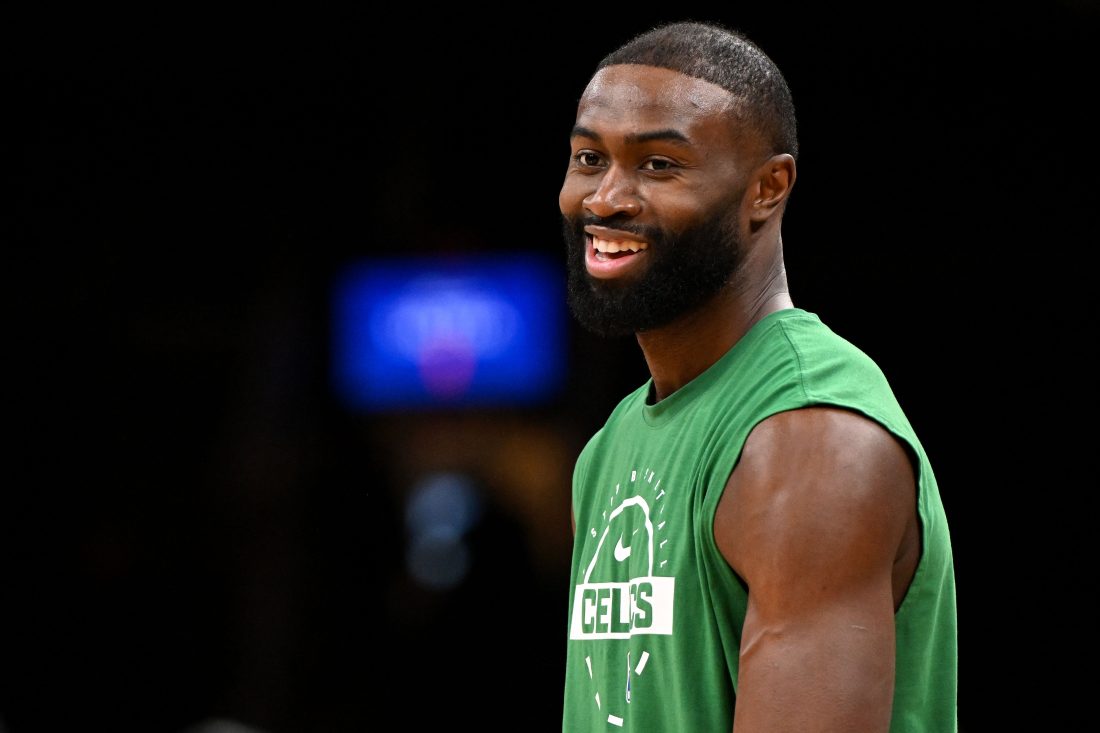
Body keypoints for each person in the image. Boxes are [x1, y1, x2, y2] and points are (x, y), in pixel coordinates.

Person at [558, 20, 957, 732]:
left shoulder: (810, 436)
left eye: (658, 165)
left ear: (767, 188)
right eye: (590, 158)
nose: (606, 198)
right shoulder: (609, 446)